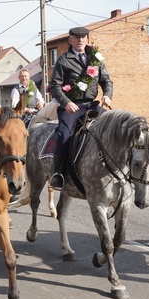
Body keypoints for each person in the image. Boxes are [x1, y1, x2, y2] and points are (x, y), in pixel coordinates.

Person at [48, 26, 114, 190]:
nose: (80, 40)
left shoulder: (95, 59)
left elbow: (106, 81)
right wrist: (66, 103)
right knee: (64, 134)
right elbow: (54, 86)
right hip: (71, 106)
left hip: (92, 105)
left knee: (112, 126)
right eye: (77, 37)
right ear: (70, 40)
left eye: (84, 37)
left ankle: (115, 169)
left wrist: (107, 95)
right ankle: (59, 173)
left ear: (87, 39)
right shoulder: (63, 60)